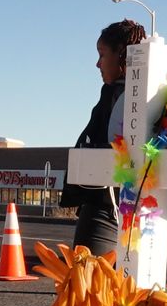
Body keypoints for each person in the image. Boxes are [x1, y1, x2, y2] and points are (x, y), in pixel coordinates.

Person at [62, 18, 146, 256]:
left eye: (102, 54)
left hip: (105, 207)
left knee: (88, 283)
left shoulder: (116, 96)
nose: (97, 64)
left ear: (122, 55)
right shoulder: (155, 96)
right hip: (138, 208)